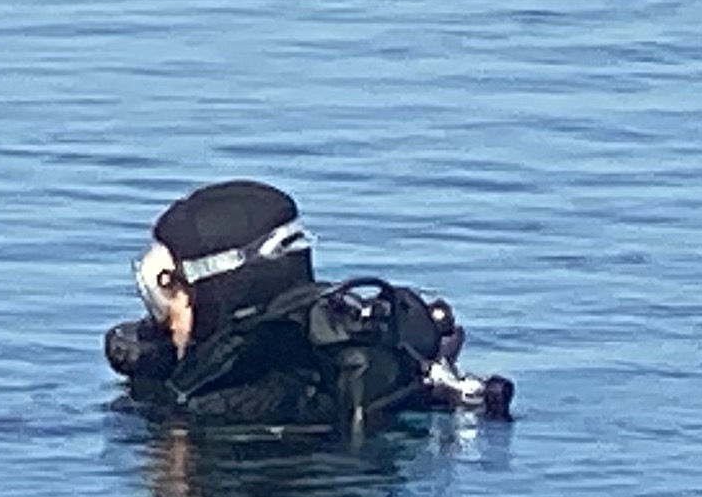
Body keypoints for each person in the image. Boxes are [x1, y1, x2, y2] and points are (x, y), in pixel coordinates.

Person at [102, 178, 504, 430]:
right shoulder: (326, 327)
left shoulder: (221, 395)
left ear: (219, 290)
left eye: (170, 293)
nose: (161, 317)